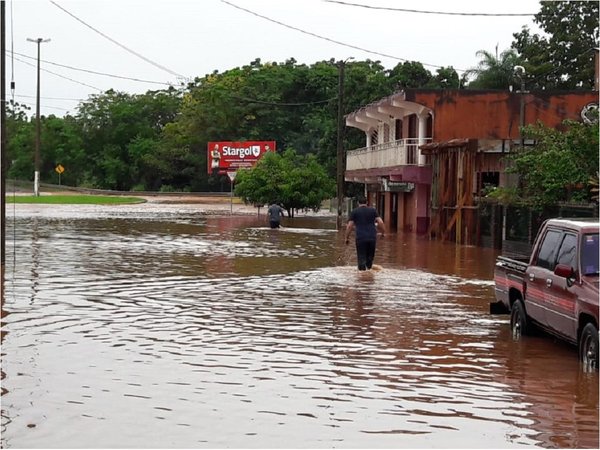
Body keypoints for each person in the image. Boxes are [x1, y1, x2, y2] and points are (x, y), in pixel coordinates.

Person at [344, 196, 386, 270]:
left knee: (361, 258)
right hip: (372, 238)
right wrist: (383, 233)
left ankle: (362, 277)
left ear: (358, 203)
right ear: (367, 202)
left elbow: (349, 226)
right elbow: (381, 222)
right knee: (370, 259)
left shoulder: (355, 212)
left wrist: (346, 238)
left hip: (360, 238)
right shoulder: (373, 210)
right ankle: (369, 276)